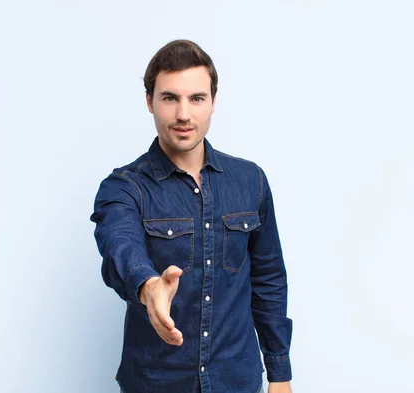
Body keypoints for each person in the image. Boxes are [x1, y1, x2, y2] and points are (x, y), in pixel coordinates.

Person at [90, 39, 293, 393]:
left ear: (213, 102)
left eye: (196, 98)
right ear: (149, 101)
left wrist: (280, 374)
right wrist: (149, 285)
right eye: (170, 98)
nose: (184, 114)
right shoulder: (124, 187)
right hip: (155, 383)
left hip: (238, 382)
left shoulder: (250, 181)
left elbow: (269, 279)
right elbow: (119, 247)